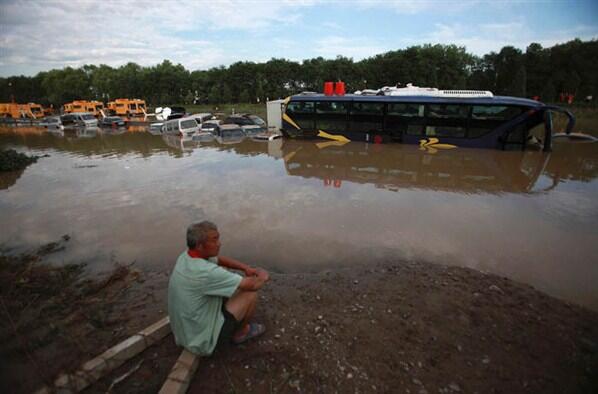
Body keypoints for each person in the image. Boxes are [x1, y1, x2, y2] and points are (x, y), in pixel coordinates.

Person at [168, 221, 269, 356]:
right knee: (250, 294)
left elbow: (218, 259)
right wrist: (263, 276)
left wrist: (245, 268)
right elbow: (253, 285)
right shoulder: (207, 272)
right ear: (200, 245)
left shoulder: (186, 256)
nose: (219, 243)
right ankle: (241, 333)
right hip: (201, 343)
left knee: (230, 287)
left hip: (184, 334)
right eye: (214, 240)